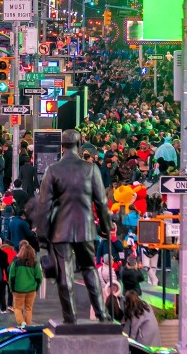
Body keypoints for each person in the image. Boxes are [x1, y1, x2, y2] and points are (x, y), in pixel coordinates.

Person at [34, 129, 113, 323]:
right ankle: (102, 314)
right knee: (90, 268)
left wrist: (42, 234)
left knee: (65, 274)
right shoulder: (91, 168)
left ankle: (70, 319)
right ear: (79, 145)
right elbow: (101, 201)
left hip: (61, 230)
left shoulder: (52, 170)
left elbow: (43, 205)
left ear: (62, 147)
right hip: (86, 227)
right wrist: (106, 226)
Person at [8, 240, 42, 327]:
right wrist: (36, 288)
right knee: (28, 309)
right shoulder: (35, 264)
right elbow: (39, 278)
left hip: (18, 290)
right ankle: (28, 325)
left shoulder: (15, 263)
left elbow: (11, 277)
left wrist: (12, 288)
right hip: (31, 290)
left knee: (17, 308)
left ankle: (21, 323)